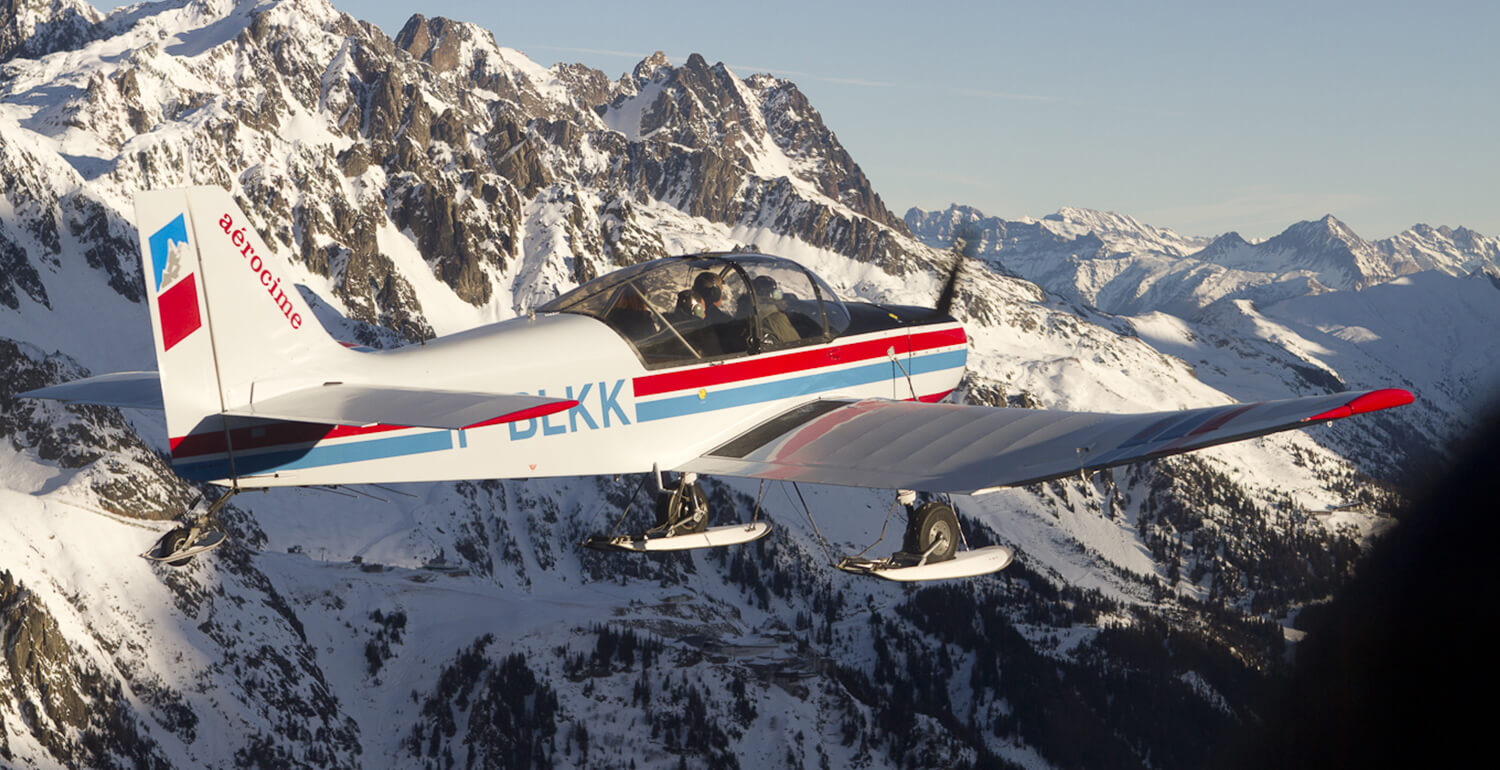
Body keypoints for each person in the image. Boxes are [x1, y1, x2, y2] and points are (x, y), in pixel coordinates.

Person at [753, 275, 799, 346]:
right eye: (774, 292)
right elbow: (795, 343)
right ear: (770, 295)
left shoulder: (750, 307)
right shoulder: (775, 316)